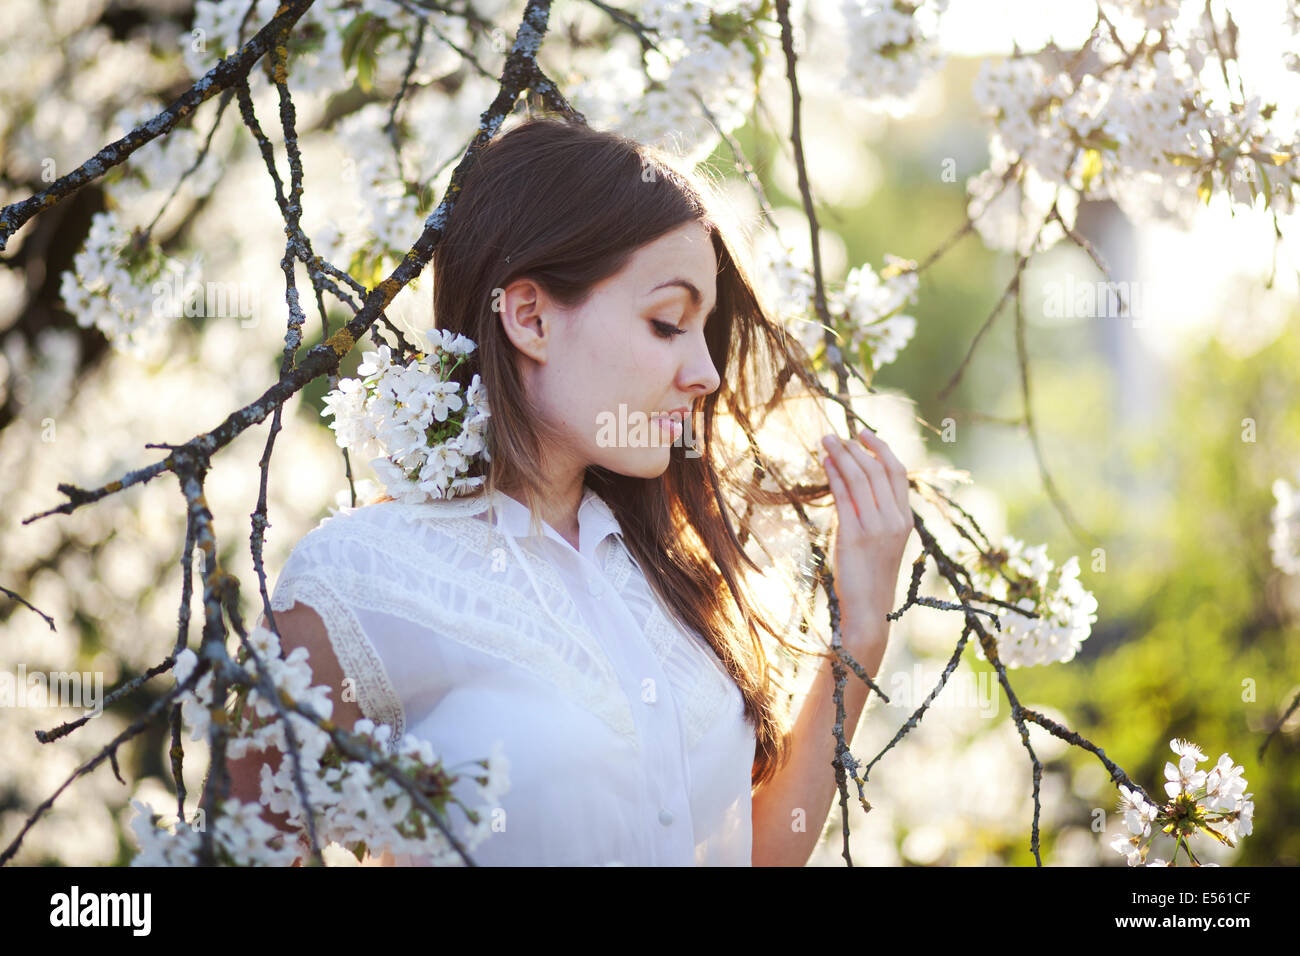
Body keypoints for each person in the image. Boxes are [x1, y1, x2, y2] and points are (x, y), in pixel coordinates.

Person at [227, 114, 915, 866]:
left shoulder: (669, 580)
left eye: (702, 330)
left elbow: (754, 854)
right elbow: (248, 850)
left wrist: (859, 634)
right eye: (665, 323)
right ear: (530, 318)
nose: (706, 374)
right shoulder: (357, 582)